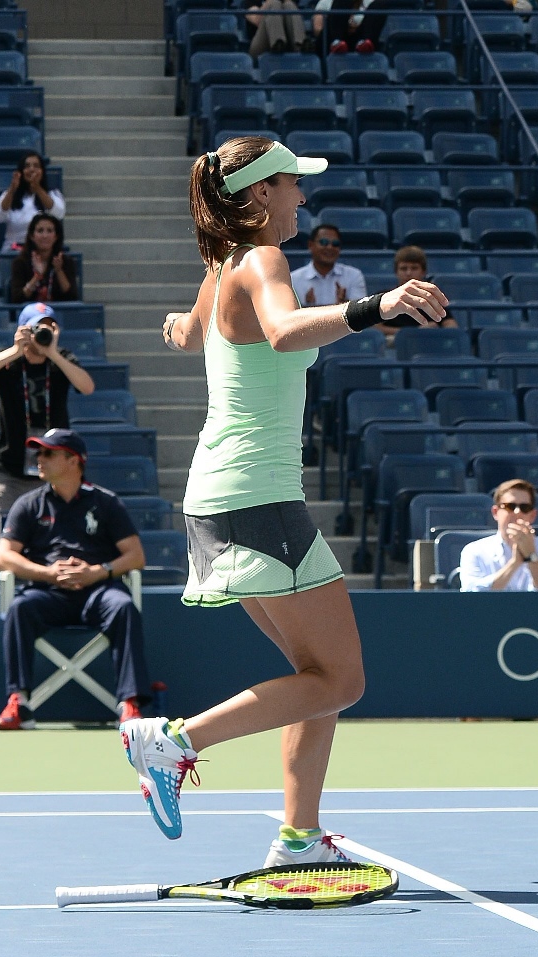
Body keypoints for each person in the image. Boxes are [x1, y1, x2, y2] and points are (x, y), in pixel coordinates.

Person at [128, 136, 448, 860]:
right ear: (260, 194)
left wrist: (181, 329)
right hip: (253, 495)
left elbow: (191, 332)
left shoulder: (221, 266)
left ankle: (300, 838)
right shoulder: (262, 260)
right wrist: (377, 306)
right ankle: (171, 741)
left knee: (318, 677)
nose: (303, 196)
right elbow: (279, 332)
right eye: (292, 184)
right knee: (342, 677)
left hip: (222, 494)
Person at [0, 429, 149, 732]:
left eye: (48, 453)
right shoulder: (28, 503)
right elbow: (3, 558)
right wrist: (48, 573)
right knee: (20, 609)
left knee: (123, 606)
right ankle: (18, 702)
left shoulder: (106, 502)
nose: (40, 459)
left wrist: (97, 572)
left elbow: (135, 556)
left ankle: (130, 702)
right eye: (38, 453)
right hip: (48, 594)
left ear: (73, 460)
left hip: (98, 591)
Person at [0, 302, 95, 546]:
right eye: (38, 328)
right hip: (8, 469)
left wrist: (52, 352)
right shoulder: (9, 360)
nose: (44, 333)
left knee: (57, 537)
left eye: (50, 328)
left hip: (52, 469)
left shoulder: (62, 359)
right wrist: (15, 350)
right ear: (24, 329)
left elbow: (87, 387)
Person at [460, 479, 538, 591]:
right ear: (495, 512)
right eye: (510, 506)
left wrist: (531, 556)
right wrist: (515, 563)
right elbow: (471, 594)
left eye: (524, 508)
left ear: (533, 515)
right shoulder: (474, 551)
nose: (517, 512)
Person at [0, 152, 66, 254]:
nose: (31, 169)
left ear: (42, 171)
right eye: (27, 166)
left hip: (43, 250)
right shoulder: (9, 194)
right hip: (14, 249)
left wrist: (37, 188)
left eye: (36, 166)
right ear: (21, 172)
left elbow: (59, 214)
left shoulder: (53, 194)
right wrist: (12, 189)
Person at [384, 245, 456, 335]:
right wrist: (414, 333)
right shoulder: (385, 297)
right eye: (403, 268)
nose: (408, 273)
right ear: (396, 272)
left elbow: (450, 324)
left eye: (414, 268)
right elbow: (375, 328)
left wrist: (441, 331)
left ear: (423, 271)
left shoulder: (433, 297)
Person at [7, 214, 79, 303]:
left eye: (49, 231)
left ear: (56, 236)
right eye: (40, 231)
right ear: (32, 236)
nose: (45, 236)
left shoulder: (66, 261)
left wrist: (59, 271)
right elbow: (18, 298)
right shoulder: (20, 262)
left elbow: (72, 297)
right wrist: (37, 276)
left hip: (59, 314)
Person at [290, 223, 365, 309]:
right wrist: (306, 307)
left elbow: (361, 314)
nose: (330, 247)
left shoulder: (353, 275)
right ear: (311, 245)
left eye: (335, 244)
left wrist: (344, 306)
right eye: (324, 242)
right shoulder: (294, 279)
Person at [314, 0, 397, 54]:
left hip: (357, 39)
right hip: (331, 39)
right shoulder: (326, 1)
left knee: (379, 5)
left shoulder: (369, 2)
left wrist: (355, 27)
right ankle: (337, 43)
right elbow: (318, 29)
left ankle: (365, 45)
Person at [245, 0, 311, 56]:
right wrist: (270, 3)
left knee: (289, 5)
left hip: (289, 43)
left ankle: (300, 45)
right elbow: (256, 19)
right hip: (260, 45)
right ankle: (277, 43)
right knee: (274, 4)